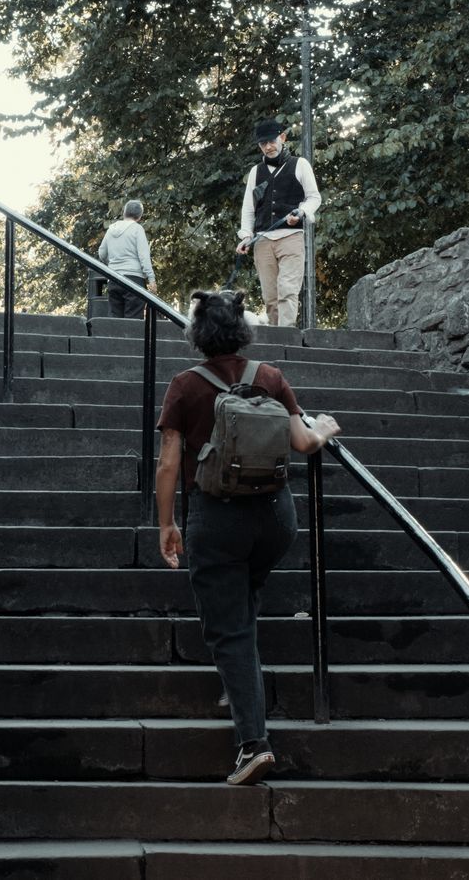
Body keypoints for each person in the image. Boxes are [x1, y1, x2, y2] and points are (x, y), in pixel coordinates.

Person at [155, 288, 340, 785]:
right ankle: (241, 688)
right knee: (247, 597)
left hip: (218, 519)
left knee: (229, 629)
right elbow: (302, 442)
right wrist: (323, 427)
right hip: (276, 519)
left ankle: (253, 745)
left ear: (198, 333)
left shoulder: (185, 386)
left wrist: (166, 524)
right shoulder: (270, 378)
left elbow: (170, 462)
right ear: (243, 331)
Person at [236, 118, 321, 328]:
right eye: (263, 144)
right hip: (263, 240)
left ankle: (287, 337)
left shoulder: (300, 164)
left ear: (282, 138)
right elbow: (248, 207)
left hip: (291, 237)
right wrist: (246, 236)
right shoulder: (256, 171)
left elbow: (314, 198)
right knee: (270, 296)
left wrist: (301, 212)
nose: (268, 147)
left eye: (272, 141)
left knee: (287, 290)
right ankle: (276, 337)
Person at [98, 199, 156, 319]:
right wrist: (151, 279)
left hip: (114, 278)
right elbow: (144, 257)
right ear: (139, 216)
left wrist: (112, 265)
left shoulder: (111, 229)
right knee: (133, 321)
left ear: (124, 213)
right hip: (134, 280)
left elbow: (102, 253)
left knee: (115, 319)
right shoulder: (137, 229)